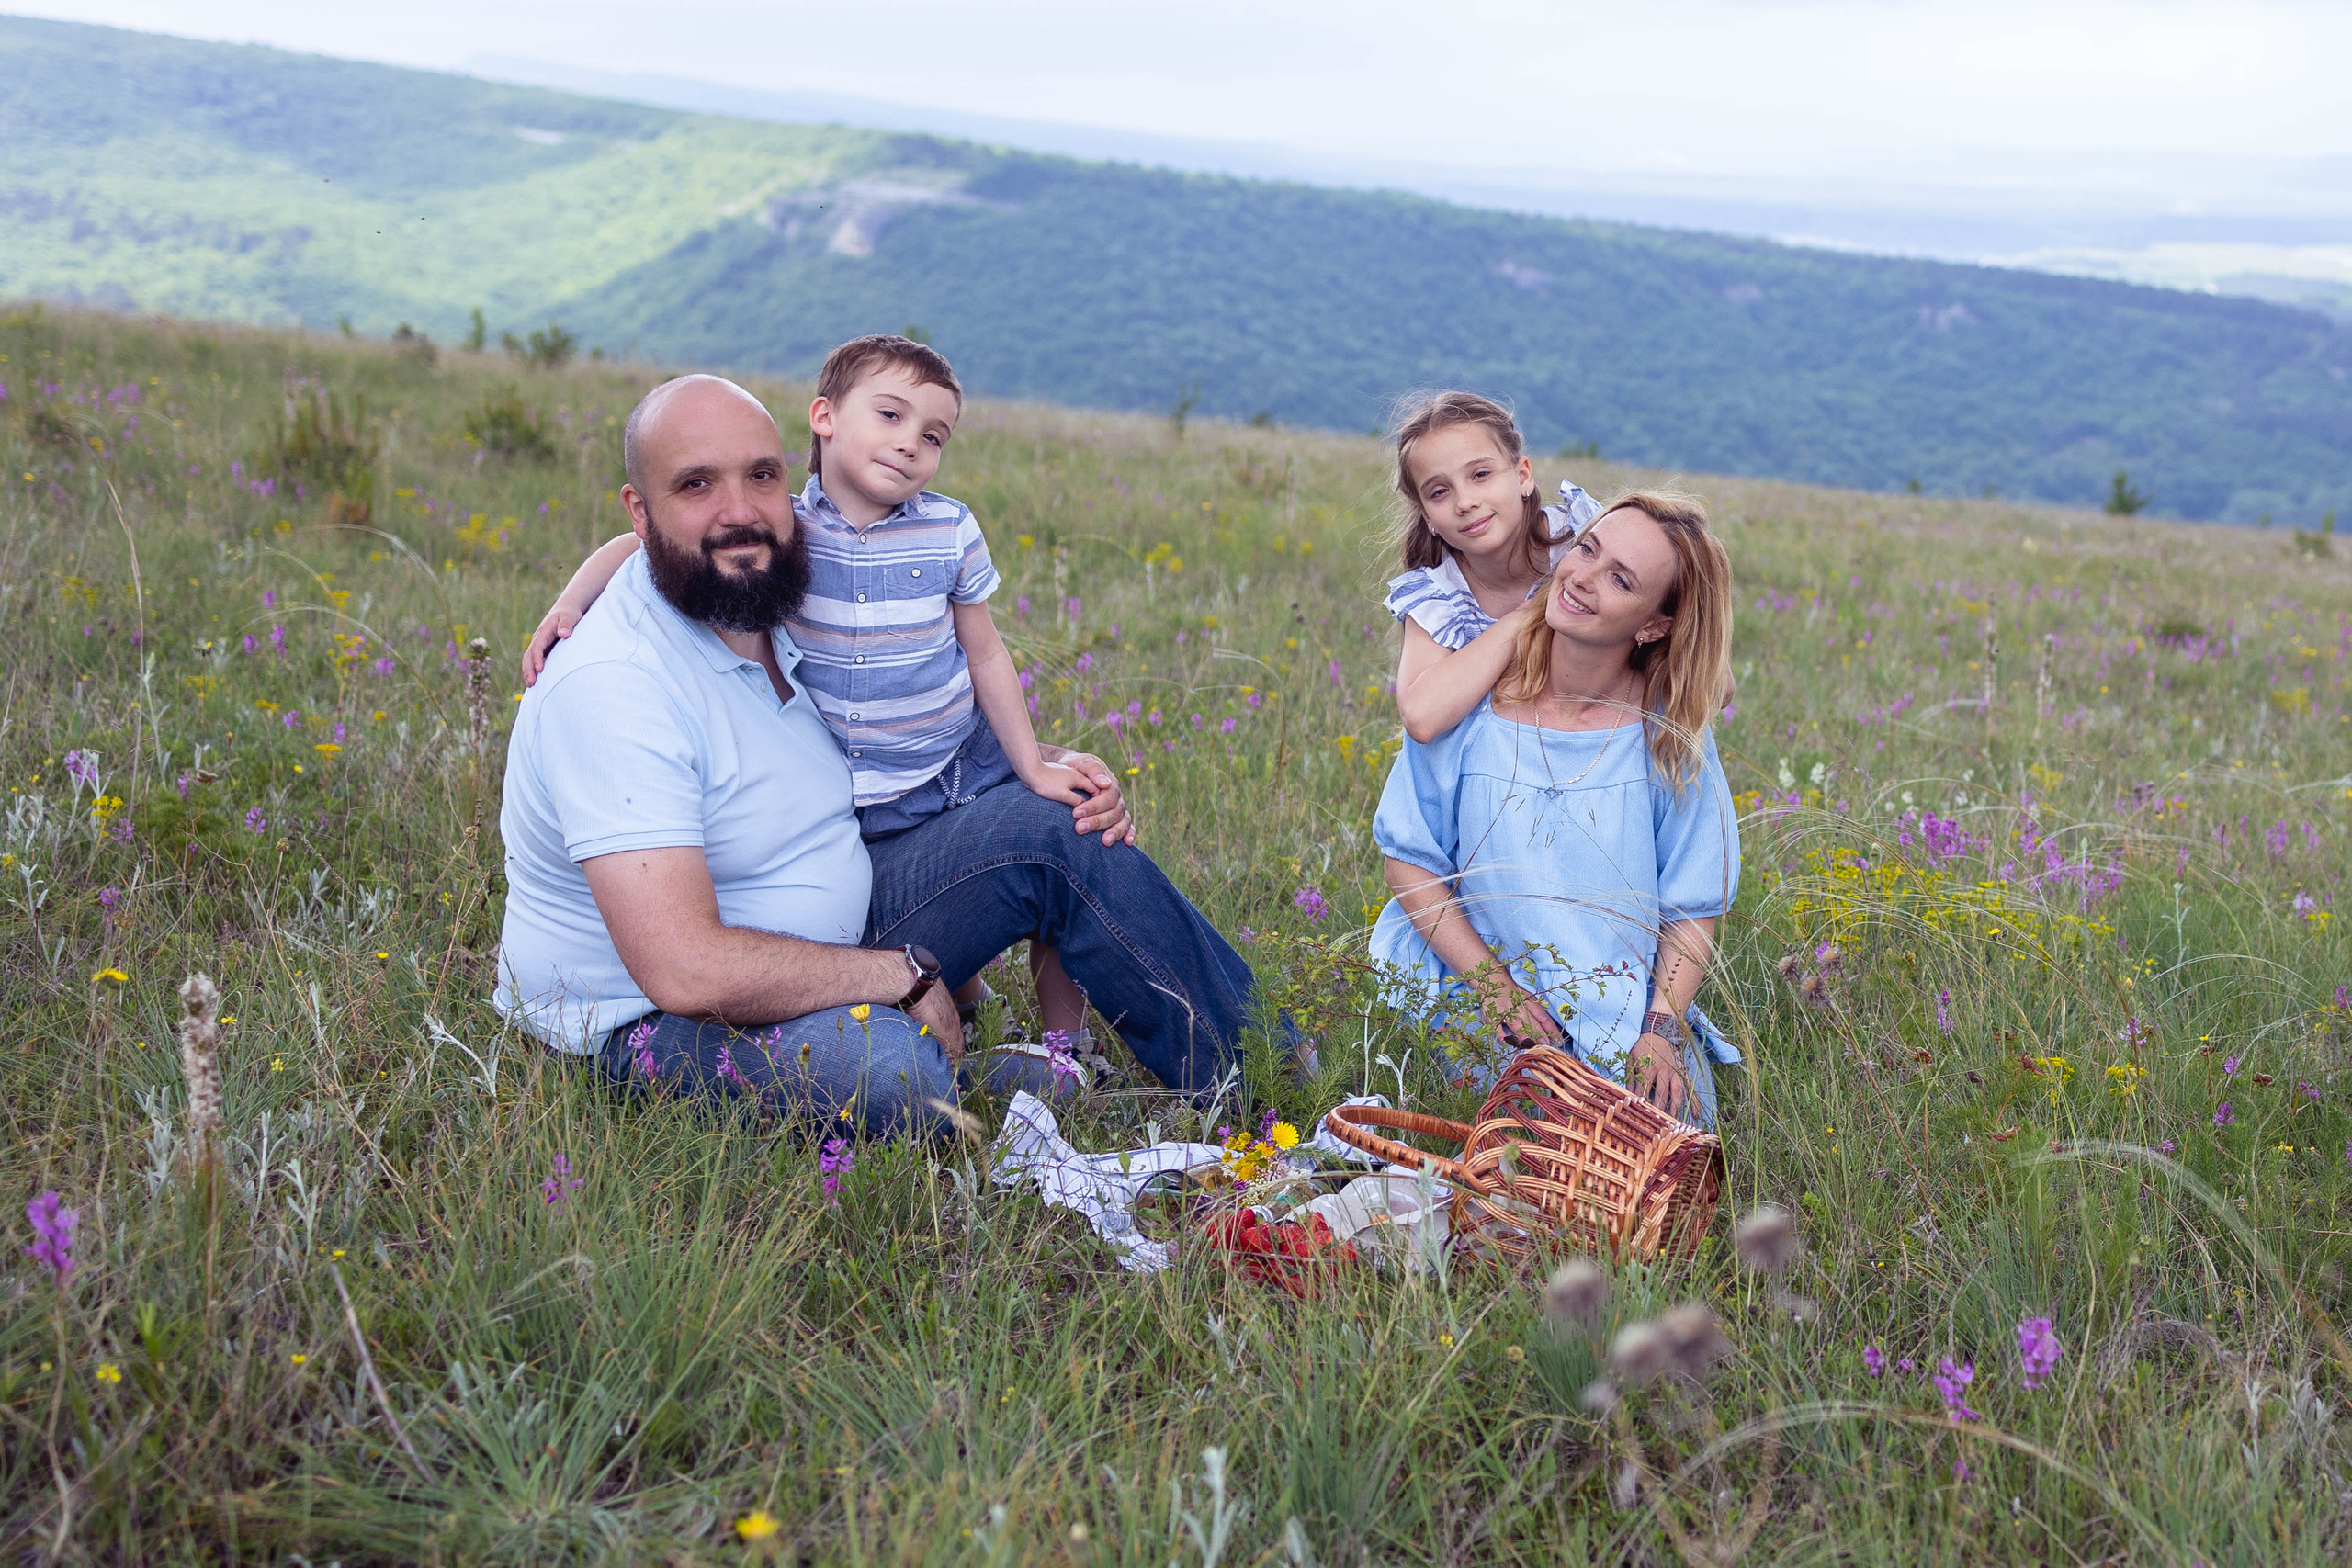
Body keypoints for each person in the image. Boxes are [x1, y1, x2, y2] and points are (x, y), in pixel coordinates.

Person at [495, 374, 1261, 1132]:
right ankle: (964, 1068)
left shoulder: (765, 587)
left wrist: (1037, 763)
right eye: (695, 484)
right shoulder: (612, 682)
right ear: (641, 510)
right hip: (654, 1014)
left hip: (838, 919)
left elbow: (895, 715)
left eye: (760, 475)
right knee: (887, 1073)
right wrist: (896, 975)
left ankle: (1263, 1078)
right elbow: (683, 967)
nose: (739, 511)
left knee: (1057, 822)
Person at [522, 335, 1098, 1054]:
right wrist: (570, 601)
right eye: (889, 416)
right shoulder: (626, 664)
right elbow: (630, 546)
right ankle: (966, 1020)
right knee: (893, 1072)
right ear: (825, 417)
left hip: (915, 814)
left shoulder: (847, 543)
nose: (910, 445)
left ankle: (1186, 1050)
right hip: (665, 1001)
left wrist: (1038, 760)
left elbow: (970, 658)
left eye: (932, 435)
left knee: (1072, 825)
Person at [1367, 491, 1742, 1125]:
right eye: (1587, 549)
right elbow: (1408, 863)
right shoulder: (1472, 702)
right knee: (1526, 1125)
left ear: (1652, 624)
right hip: (1475, 991)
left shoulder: (1668, 739)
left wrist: (1658, 1030)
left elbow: (1693, 906)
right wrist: (1496, 993)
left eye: (1620, 579)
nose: (1583, 578)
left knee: (1661, 1139)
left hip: (1618, 1005)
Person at [1382, 390, 1602, 744]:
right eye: (1439, 492)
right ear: (1428, 518)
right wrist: (1522, 620)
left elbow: (1713, 683)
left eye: (1481, 474)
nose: (1465, 502)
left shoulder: (1585, 541)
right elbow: (1421, 719)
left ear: (1523, 476)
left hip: (1596, 743)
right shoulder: (1439, 598)